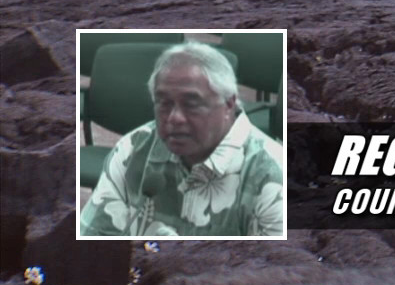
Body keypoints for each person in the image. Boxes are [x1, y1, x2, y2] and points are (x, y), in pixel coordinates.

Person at [80, 42, 284, 237]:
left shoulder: (273, 175)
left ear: (228, 104)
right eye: (164, 103)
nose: (174, 118)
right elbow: (93, 237)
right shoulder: (133, 148)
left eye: (191, 103)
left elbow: (275, 269)